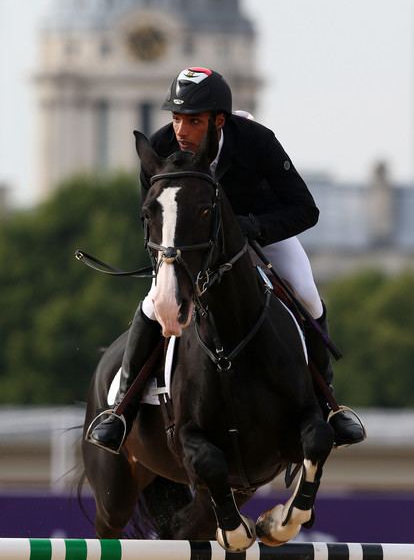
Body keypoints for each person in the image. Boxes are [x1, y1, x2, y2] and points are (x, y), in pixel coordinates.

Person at [89, 66, 365, 453]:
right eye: (177, 118)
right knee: (154, 305)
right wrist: (168, 263)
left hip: (261, 235)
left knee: (306, 295)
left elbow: (305, 210)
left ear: (220, 121)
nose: (181, 131)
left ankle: (328, 405)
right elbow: (151, 217)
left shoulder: (256, 141)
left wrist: (252, 227)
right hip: (191, 248)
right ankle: (122, 410)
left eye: (194, 121)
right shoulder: (160, 146)